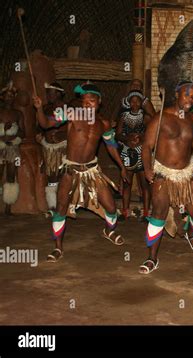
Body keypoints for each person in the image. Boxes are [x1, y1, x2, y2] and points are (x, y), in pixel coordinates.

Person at [33, 82, 128, 262]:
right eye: (83, 101)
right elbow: (46, 124)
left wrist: (122, 167)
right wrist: (38, 109)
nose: (86, 104)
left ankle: (109, 230)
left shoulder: (104, 123)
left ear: (99, 101)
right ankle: (58, 248)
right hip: (71, 170)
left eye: (91, 100)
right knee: (61, 208)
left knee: (111, 207)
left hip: (92, 171)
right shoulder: (72, 114)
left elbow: (111, 146)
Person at [138, 81, 193, 274]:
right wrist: (147, 168)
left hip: (186, 173)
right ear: (177, 94)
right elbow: (146, 146)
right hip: (163, 173)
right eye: (187, 95)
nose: (190, 100)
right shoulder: (160, 118)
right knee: (158, 213)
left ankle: (191, 234)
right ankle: (152, 258)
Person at [116, 90, 152, 220]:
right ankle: (125, 212)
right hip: (127, 152)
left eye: (137, 101)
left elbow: (151, 134)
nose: (135, 103)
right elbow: (117, 134)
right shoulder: (124, 116)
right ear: (129, 102)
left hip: (142, 152)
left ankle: (147, 213)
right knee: (127, 182)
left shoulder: (146, 117)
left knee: (145, 184)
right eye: (132, 101)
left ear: (141, 103)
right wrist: (127, 139)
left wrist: (141, 138)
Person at [38, 82, 67, 211]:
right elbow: (40, 127)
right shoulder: (45, 108)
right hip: (48, 147)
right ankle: (53, 207)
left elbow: (72, 129)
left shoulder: (66, 109)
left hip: (62, 147)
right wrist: (39, 136)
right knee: (51, 178)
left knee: (61, 177)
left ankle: (61, 206)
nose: (48, 95)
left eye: (51, 92)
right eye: (47, 92)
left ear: (59, 93)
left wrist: (62, 134)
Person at [0, 81, 25, 215]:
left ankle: (8, 207)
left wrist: (14, 133)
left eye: (12, 95)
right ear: (2, 97)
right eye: (7, 95)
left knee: (11, 176)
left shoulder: (18, 114)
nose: (9, 97)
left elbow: (23, 132)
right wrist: (3, 131)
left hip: (12, 147)